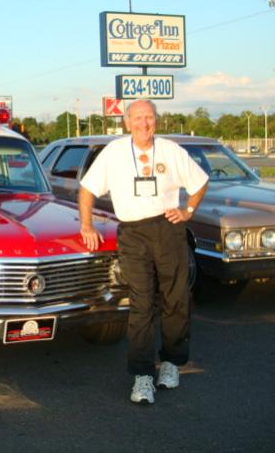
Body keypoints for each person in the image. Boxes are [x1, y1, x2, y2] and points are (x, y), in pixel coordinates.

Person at [78, 99, 208, 405]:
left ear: (157, 121)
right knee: (141, 303)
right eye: (137, 118)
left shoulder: (171, 150)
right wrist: (87, 225)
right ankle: (142, 376)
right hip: (133, 232)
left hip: (168, 229)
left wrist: (188, 209)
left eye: (149, 117)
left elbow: (200, 182)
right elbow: (87, 189)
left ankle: (172, 364)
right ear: (127, 123)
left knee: (175, 299)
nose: (143, 123)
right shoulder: (114, 153)